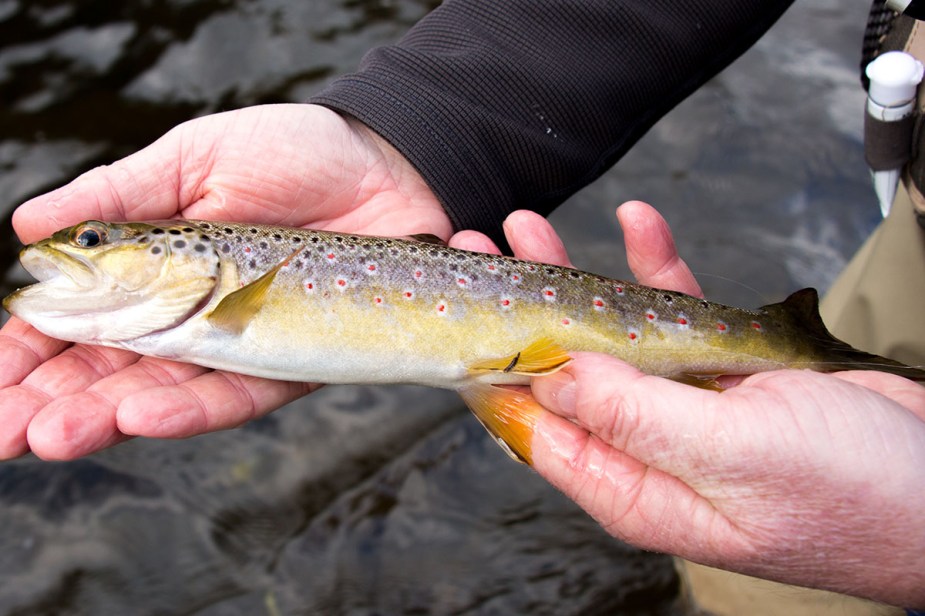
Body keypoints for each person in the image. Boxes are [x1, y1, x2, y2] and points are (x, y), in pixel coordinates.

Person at [0, 0, 922, 611]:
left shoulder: (232, 295)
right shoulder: (211, 302)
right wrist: (417, 123)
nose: (64, 255)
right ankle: (795, 351)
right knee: (775, 575)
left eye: (96, 241)